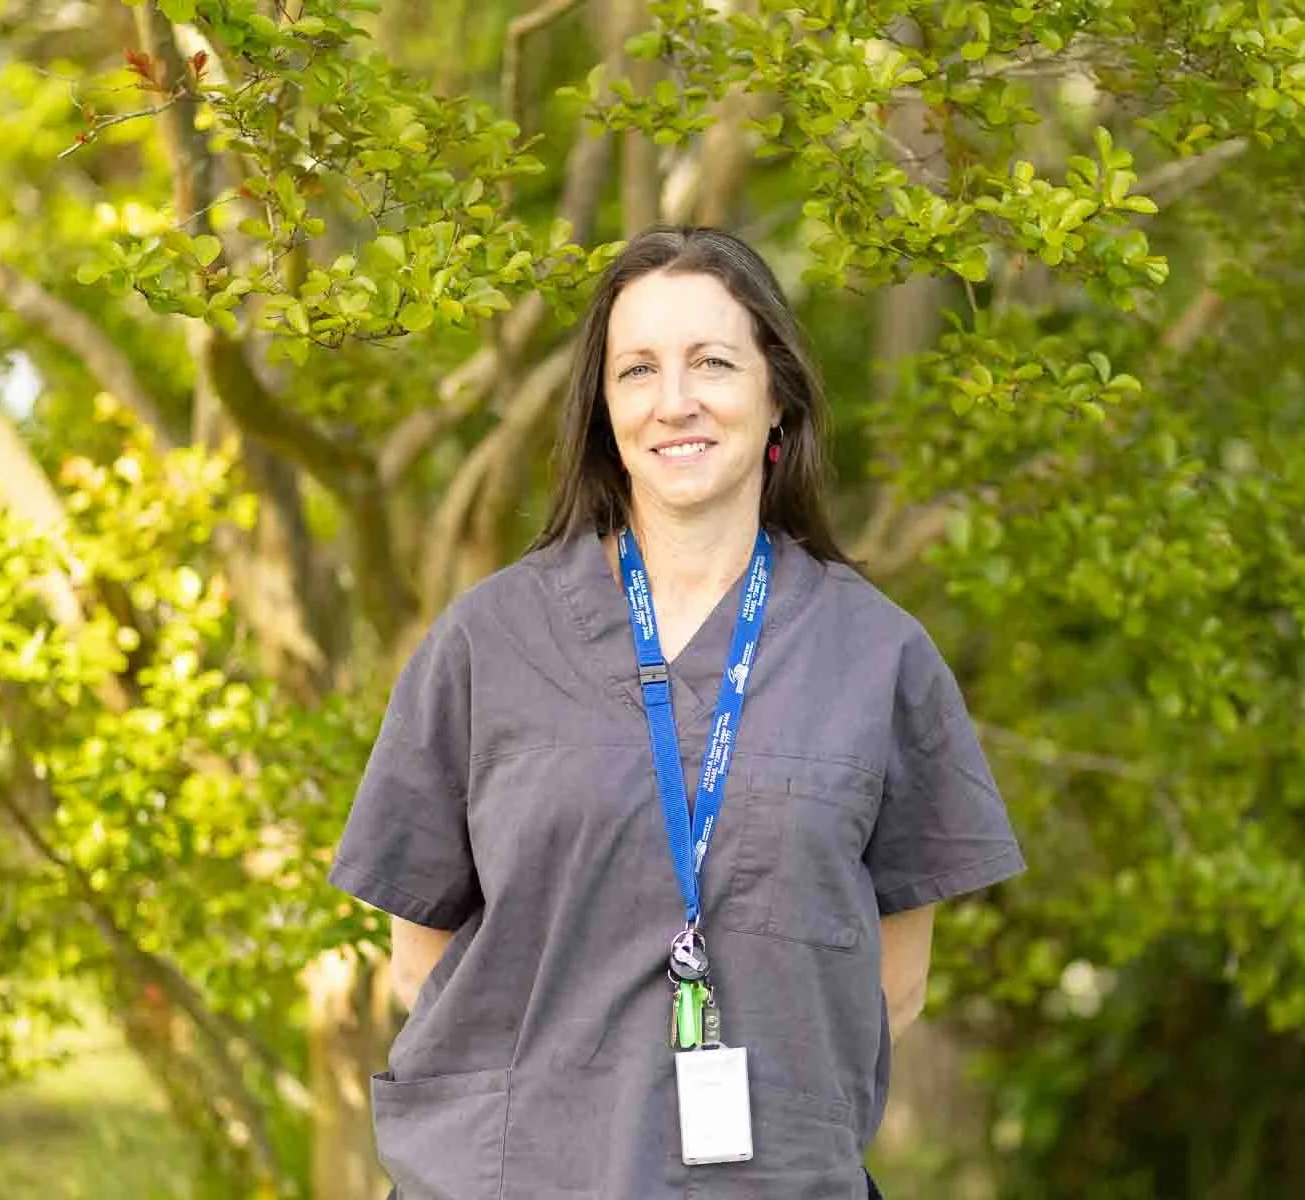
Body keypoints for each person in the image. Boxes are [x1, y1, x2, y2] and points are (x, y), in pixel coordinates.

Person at [330, 226, 1025, 1199]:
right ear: (603, 411)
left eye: (712, 362)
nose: (675, 401)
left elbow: (892, 987)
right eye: (637, 370)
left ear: (775, 393)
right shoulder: (490, 641)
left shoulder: (878, 657)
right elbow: (422, 966)